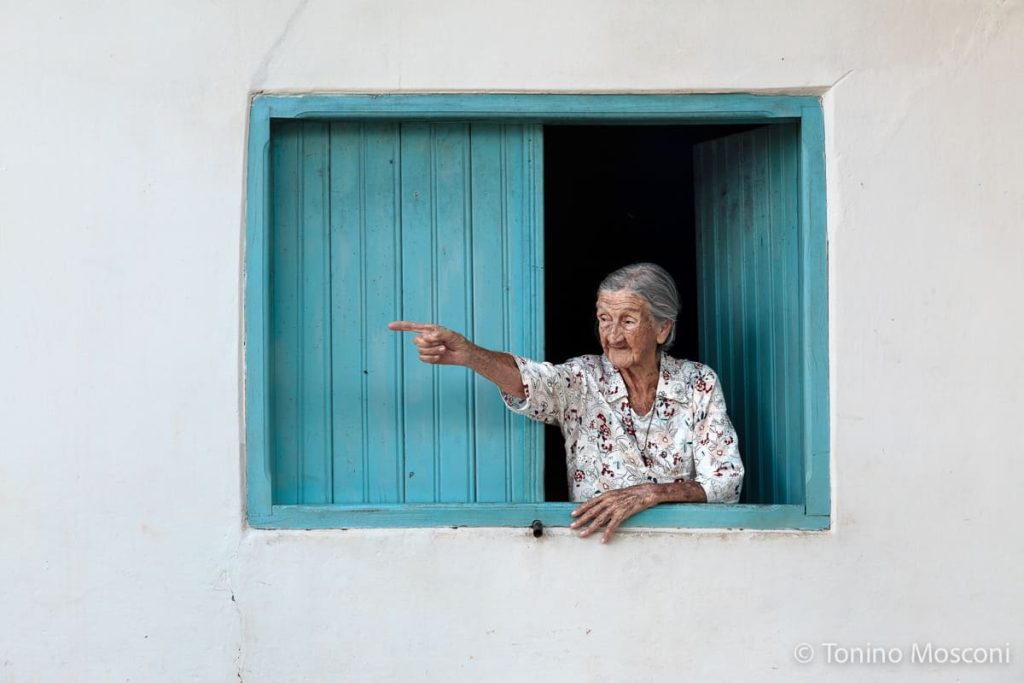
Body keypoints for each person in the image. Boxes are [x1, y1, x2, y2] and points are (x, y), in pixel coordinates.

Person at [389, 262, 743, 542]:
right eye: (604, 319)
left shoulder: (698, 383)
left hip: (687, 555)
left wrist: (649, 494)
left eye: (628, 320)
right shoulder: (583, 380)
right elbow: (531, 381)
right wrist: (469, 355)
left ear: (662, 329)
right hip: (597, 555)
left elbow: (726, 482)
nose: (613, 335)